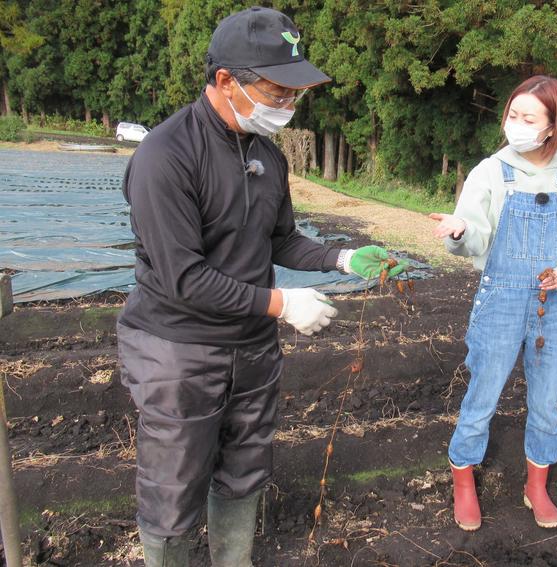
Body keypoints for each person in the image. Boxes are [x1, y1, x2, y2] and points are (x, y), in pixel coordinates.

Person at [117, 7, 405, 566]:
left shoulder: (266, 155)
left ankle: (233, 559)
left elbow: (279, 239)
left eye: (294, 95)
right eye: (278, 93)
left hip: (251, 347)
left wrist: (341, 258)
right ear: (227, 81)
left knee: (245, 466)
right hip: (179, 351)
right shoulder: (166, 157)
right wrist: (280, 302)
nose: (287, 107)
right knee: (174, 482)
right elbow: (183, 278)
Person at [429, 76, 557, 531]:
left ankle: (536, 486)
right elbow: (475, 233)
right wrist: (460, 232)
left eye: (529, 118)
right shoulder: (491, 171)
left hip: (555, 303)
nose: (516, 125)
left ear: (552, 126)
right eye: (512, 115)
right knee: (482, 397)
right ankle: (464, 483)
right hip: (500, 299)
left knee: (546, 404)